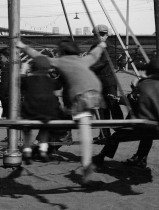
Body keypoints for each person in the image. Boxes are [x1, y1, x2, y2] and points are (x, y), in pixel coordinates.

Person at [17, 38, 107, 183]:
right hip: (96, 92)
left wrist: (22, 46)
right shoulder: (82, 60)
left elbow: (39, 57)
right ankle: (86, 163)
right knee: (85, 124)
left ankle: (87, 165)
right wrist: (101, 45)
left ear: (63, 52)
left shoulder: (62, 61)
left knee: (83, 129)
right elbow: (95, 55)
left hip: (80, 95)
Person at [95, 58, 159, 169]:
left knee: (117, 135)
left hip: (140, 126)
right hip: (157, 127)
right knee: (148, 135)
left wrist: (122, 100)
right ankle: (141, 158)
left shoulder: (142, 84)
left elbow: (135, 103)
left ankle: (101, 156)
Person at [20, 55, 64, 164]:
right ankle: (43, 151)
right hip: (49, 113)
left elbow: (19, 83)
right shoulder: (50, 80)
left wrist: (23, 70)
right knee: (45, 128)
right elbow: (58, 85)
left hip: (30, 111)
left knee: (27, 128)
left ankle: (26, 150)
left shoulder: (29, 80)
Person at [88, 24, 124, 143]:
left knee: (113, 105)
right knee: (102, 108)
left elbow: (101, 63)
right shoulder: (94, 47)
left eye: (103, 34)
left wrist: (87, 66)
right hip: (98, 81)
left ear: (107, 35)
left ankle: (121, 130)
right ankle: (104, 134)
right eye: (98, 35)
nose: (101, 37)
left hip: (108, 80)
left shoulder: (111, 47)